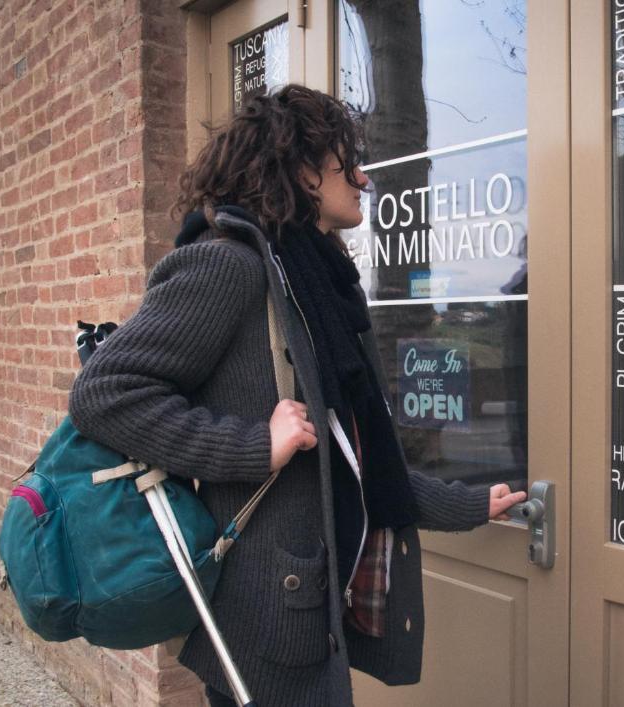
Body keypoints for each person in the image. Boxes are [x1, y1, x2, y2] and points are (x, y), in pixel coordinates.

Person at [68, 84, 526, 707]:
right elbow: (105, 393)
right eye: (347, 163)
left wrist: (465, 505)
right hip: (265, 623)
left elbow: (356, 457)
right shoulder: (229, 266)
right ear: (306, 171)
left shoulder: (320, 283)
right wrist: (255, 445)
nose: (363, 179)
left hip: (314, 613)